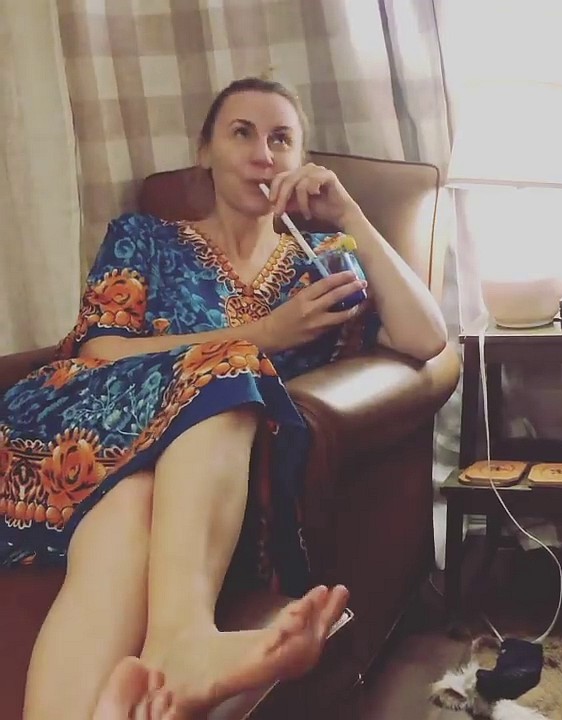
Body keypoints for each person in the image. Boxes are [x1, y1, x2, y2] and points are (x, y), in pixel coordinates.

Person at [0, 76, 448, 719]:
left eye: (281, 139)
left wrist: (349, 214)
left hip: (147, 480)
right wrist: (263, 336)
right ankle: (183, 639)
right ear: (205, 150)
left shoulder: (322, 263)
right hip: (75, 429)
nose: (263, 154)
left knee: (127, 509)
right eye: (242, 133)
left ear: (300, 161)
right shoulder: (144, 238)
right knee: (233, 362)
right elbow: (99, 350)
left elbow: (425, 337)